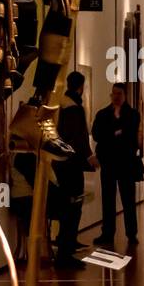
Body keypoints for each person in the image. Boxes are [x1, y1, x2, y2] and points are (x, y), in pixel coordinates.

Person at [52, 71, 96, 268]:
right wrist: (89, 156)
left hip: (60, 162)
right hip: (71, 163)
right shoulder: (73, 108)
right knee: (72, 206)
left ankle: (67, 244)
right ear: (81, 86)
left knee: (68, 206)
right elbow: (78, 136)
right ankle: (65, 252)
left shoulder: (59, 104)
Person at [90, 82, 142, 248]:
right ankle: (107, 232)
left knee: (128, 199)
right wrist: (116, 133)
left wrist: (112, 134)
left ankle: (131, 233)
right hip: (109, 161)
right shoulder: (103, 114)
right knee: (108, 199)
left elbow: (129, 134)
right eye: (114, 93)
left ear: (124, 95)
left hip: (125, 161)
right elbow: (97, 134)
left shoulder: (132, 114)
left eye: (119, 93)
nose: (116, 96)